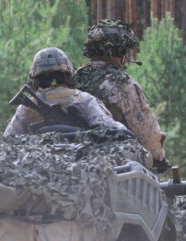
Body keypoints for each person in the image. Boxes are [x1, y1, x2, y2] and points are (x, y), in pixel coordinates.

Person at [73, 19, 170, 172]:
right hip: (115, 168)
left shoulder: (73, 78)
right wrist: (159, 158)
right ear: (121, 51)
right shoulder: (123, 84)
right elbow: (147, 133)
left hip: (73, 163)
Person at [4, 47, 129, 137]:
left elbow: (8, 141)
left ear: (34, 78)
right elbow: (112, 129)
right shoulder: (84, 100)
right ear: (68, 74)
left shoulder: (25, 108)